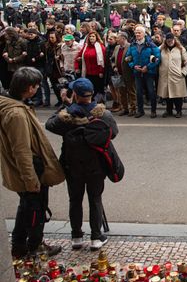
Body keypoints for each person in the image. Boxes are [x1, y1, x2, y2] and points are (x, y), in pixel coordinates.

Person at [45, 78, 118, 251]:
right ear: (92, 94)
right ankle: (96, 237)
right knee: (95, 199)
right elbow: (113, 133)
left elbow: (50, 124)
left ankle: (76, 236)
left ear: (75, 95)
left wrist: (65, 105)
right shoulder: (103, 115)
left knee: (75, 200)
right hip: (96, 165)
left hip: (72, 165)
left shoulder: (66, 117)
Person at [0, 67, 65, 258]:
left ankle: (19, 245)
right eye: (36, 86)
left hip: (26, 170)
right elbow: (21, 151)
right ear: (29, 88)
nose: (37, 89)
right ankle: (34, 245)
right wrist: (31, 180)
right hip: (30, 171)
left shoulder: (12, 104)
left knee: (25, 208)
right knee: (35, 210)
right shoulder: (17, 115)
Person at [126, 25, 161, 118]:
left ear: (144, 34)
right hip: (137, 72)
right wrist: (133, 66)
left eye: (139, 32)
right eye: (136, 32)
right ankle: (140, 111)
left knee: (151, 91)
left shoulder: (151, 44)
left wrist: (148, 67)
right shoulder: (132, 44)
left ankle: (153, 111)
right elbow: (128, 58)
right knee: (138, 92)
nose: (137, 34)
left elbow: (157, 58)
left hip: (149, 72)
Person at [157, 33, 187, 118]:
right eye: (168, 41)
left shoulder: (181, 49)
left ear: (174, 40)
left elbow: (186, 61)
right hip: (165, 76)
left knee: (177, 95)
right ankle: (169, 110)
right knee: (167, 95)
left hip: (177, 76)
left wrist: (183, 72)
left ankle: (179, 111)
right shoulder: (161, 49)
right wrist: (153, 58)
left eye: (171, 40)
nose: (170, 42)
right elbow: (154, 55)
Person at [74, 30, 106, 99]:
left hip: (98, 73)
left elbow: (102, 60)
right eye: (90, 36)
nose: (91, 38)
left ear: (96, 37)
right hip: (87, 73)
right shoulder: (85, 47)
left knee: (98, 90)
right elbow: (77, 57)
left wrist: (101, 71)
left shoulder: (101, 47)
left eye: (93, 36)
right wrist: (76, 67)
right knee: (89, 90)